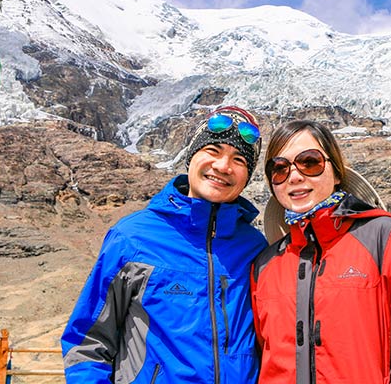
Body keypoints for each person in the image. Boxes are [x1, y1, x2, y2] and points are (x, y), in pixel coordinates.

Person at [61, 106, 268, 383]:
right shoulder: (132, 238)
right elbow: (87, 345)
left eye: (239, 159)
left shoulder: (255, 248)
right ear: (191, 156)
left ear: (246, 177)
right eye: (213, 151)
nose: (223, 166)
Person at [251, 120, 391, 383]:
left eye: (309, 162)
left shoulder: (387, 237)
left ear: (336, 172)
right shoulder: (264, 265)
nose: (294, 176)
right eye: (280, 168)